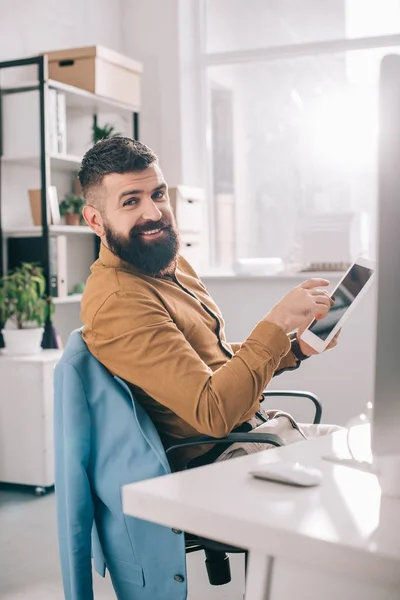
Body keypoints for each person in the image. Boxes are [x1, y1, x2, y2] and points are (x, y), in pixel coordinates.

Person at [79, 137, 340, 471]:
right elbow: (212, 412)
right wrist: (276, 321)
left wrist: (295, 348)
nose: (154, 212)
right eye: (131, 202)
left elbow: (209, 360)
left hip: (260, 432)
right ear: (95, 221)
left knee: (374, 448)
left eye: (158, 194)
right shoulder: (120, 301)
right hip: (224, 459)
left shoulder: (169, 266)